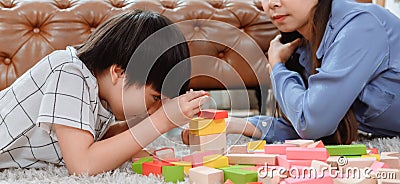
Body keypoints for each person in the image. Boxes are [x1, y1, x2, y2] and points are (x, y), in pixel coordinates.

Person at [0, 10, 209, 175]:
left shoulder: (101, 94)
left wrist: (148, 128)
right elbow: (83, 165)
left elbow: (100, 139)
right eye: (155, 98)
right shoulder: (69, 72)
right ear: (118, 72)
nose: (153, 109)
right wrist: (160, 121)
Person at [183, 0, 400, 145]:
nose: (272, 3)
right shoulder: (303, 46)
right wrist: (229, 124)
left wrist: (276, 66)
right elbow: (306, 122)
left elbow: (312, 123)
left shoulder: (361, 26)